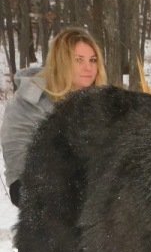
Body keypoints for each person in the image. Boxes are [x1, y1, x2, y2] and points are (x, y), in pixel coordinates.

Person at [1, 26, 107, 206]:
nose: (88, 68)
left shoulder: (102, 105)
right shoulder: (29, 103)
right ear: (61, 61)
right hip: (51, 215)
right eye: (78, 60)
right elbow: (20, 183)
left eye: (93, 60)